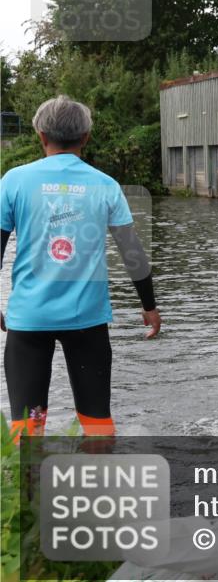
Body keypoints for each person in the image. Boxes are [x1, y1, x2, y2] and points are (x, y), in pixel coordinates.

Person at [1, 96, 161, 441]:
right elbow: (132, 253)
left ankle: (29, 493)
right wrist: (149, 306)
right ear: (86, 137)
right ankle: (98, 491)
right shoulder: (105, 185)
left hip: (29, 321)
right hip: (86, 321)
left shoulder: (14, 181)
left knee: (27, 428)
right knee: (97, 423)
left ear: (41, 135)